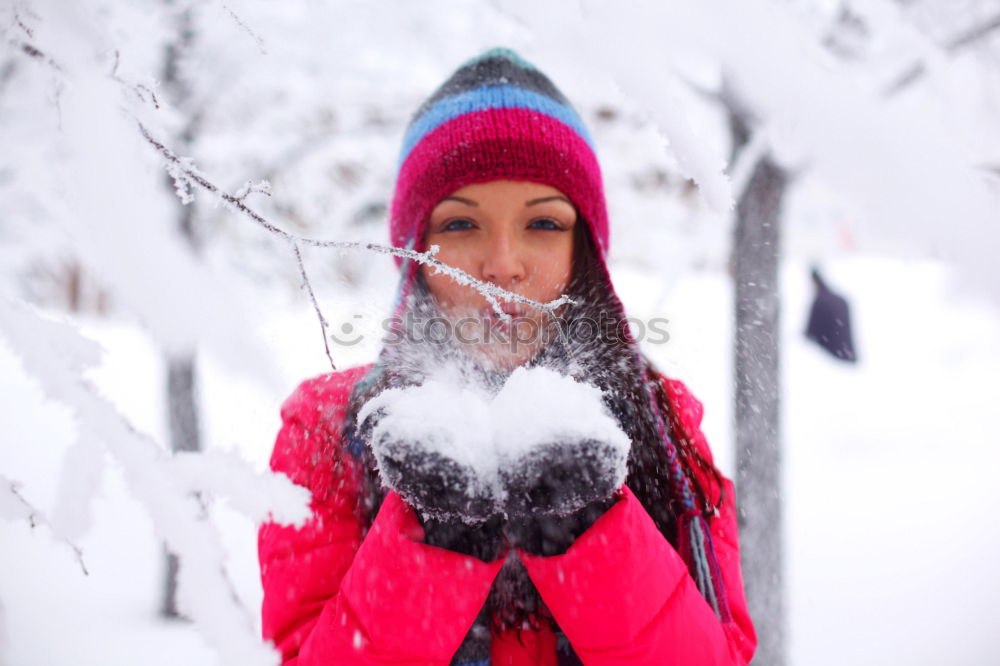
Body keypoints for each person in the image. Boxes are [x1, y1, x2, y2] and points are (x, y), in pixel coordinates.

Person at [258, 48, 757, 666]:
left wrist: (593, 527)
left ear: (586, 253)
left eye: (543, 225)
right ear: (416, 249)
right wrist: (434, 538)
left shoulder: (661, 419)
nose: (502, 265)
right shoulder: (331, 426)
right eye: (461, 225)